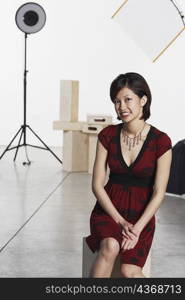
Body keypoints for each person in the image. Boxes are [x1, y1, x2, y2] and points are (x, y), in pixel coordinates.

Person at [85, 72, 172, 278]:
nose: (121, 106)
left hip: (142, 215)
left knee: (129, 271)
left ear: (143, 100)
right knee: (110, 247)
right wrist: (121, 222)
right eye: (117, 101)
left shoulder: (161, 141)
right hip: (109, 211)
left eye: (127, 99)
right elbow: (97, 185)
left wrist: (137, 228)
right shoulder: (107, 135)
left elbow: (159, 192)